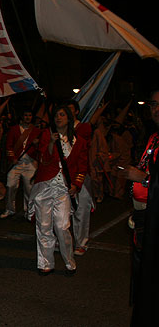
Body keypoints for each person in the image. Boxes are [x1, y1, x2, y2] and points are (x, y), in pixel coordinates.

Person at [28, 105, 87, 276]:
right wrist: (52, 143)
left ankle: (69, 261)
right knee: (44, 226)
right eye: (56, 115)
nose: (58, 118)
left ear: (69, 118)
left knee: (62, 226)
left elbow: (82, 166)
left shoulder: (80, 141)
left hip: (64, 189)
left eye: (62, 115)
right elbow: (43, 160)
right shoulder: (47, 135)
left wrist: (76, 184)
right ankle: (45, 263)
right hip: (45, 187)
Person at [118, 91, 159, 324]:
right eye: (153, 104)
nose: (156, 109)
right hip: (146, 216)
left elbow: (150, 177)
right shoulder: (154, 137)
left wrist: (143, 179)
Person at [1, 109, 41, 219]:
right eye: (25, 115)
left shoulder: (36, 131)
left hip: (30, 163)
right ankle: (9, 209)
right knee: (10, 185)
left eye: (29, 115)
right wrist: (12, 158)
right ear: (22, 116)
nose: (27, 117)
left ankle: (29, 211)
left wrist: (37, 144)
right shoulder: (14, 129)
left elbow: (41, 149)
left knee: (29, 189)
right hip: (17, 162)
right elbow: (9, 146)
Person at [66, 100, 93, 256]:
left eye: (70, 110)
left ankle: (81, 242)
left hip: (80, 173)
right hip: (63, 175)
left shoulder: (83, 127)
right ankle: (61, 239)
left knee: (81, 210)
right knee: (62, 211)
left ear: (76, 112)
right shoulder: (58, 130)